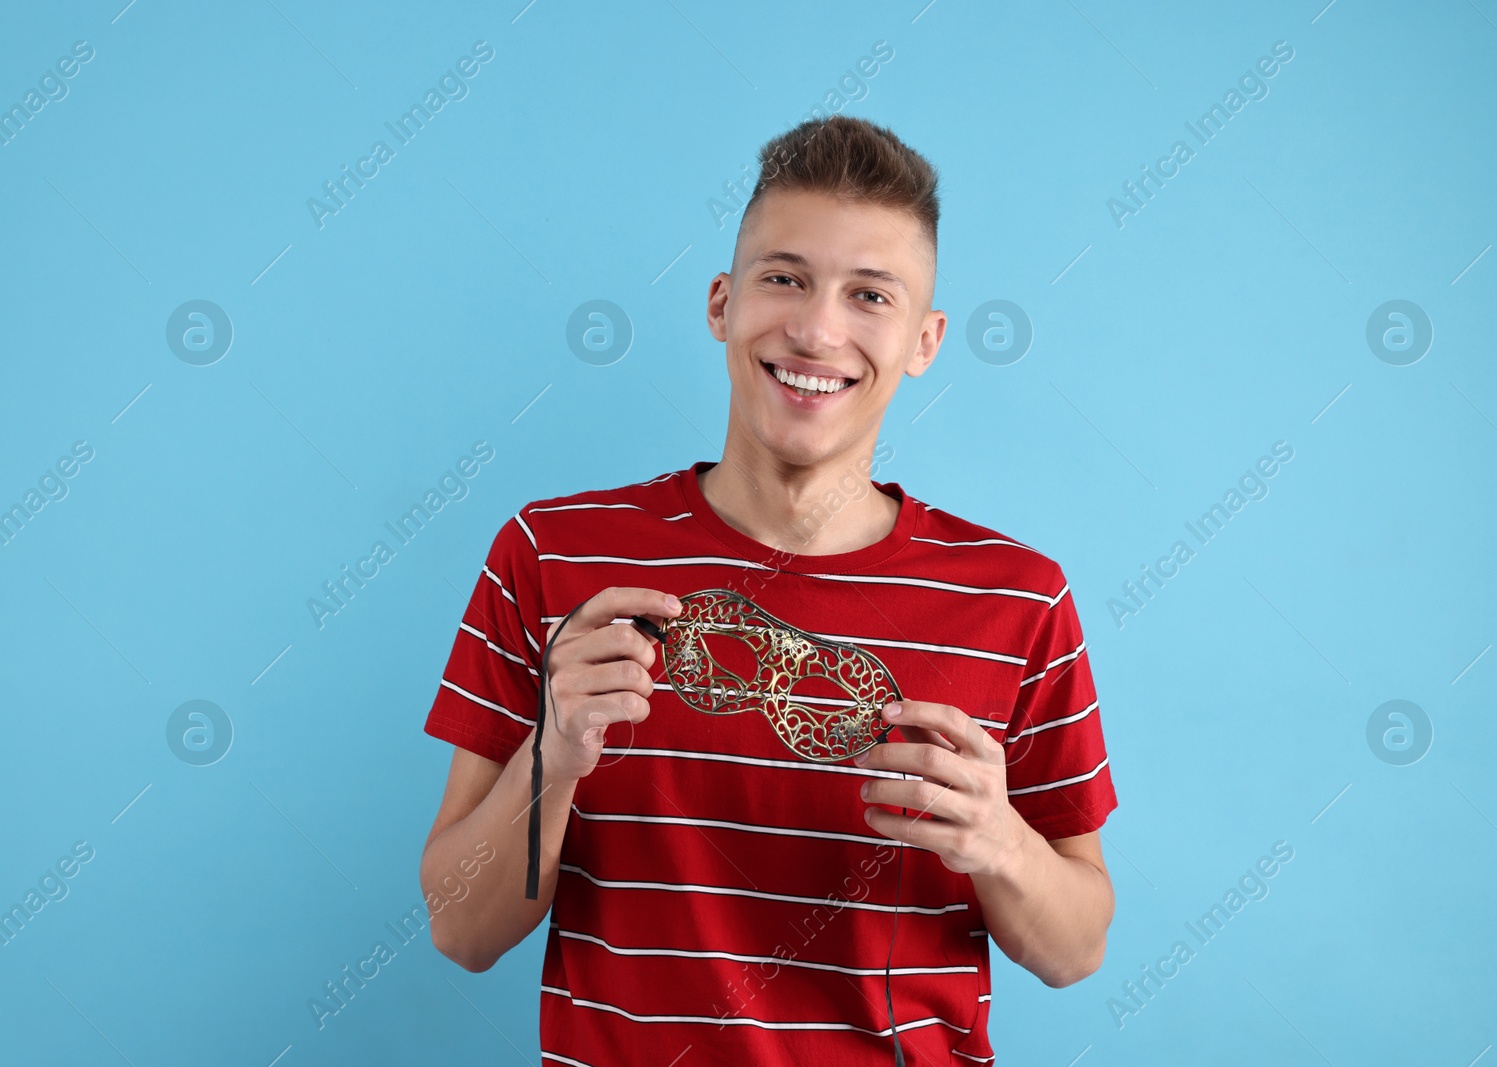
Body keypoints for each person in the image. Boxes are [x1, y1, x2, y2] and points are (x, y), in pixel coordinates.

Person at [419, 114, 1117, 1065]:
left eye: (870, 295)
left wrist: (998, 840)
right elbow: (460, 932)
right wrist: (557, 754)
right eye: (784, 277)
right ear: (721, 302)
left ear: (924, 340)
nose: (817, 328)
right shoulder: (553, 556)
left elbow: (1077, 948)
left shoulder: (1019, 599)